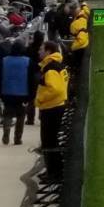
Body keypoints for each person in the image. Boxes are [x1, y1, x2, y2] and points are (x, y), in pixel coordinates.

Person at [34, 42, 70, 183]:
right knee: (51, 141)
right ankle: (53, 171)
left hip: (51, 108)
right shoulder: (57, 65)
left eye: (41, 49)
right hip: (56, 106)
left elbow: (56, 89)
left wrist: (40, 98)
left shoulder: (51, 68)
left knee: (49, 142)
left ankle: (54, 174)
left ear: (48, 51)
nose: (39, 51)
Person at [0, 40, 31, 144]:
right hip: (23, 93)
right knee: (21, 116)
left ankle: (6, 133)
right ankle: (17, 138)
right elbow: (31, 79)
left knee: (8, 114)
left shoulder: (4, 61)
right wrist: (31, 95)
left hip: (7, 92)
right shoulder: (28, 61)